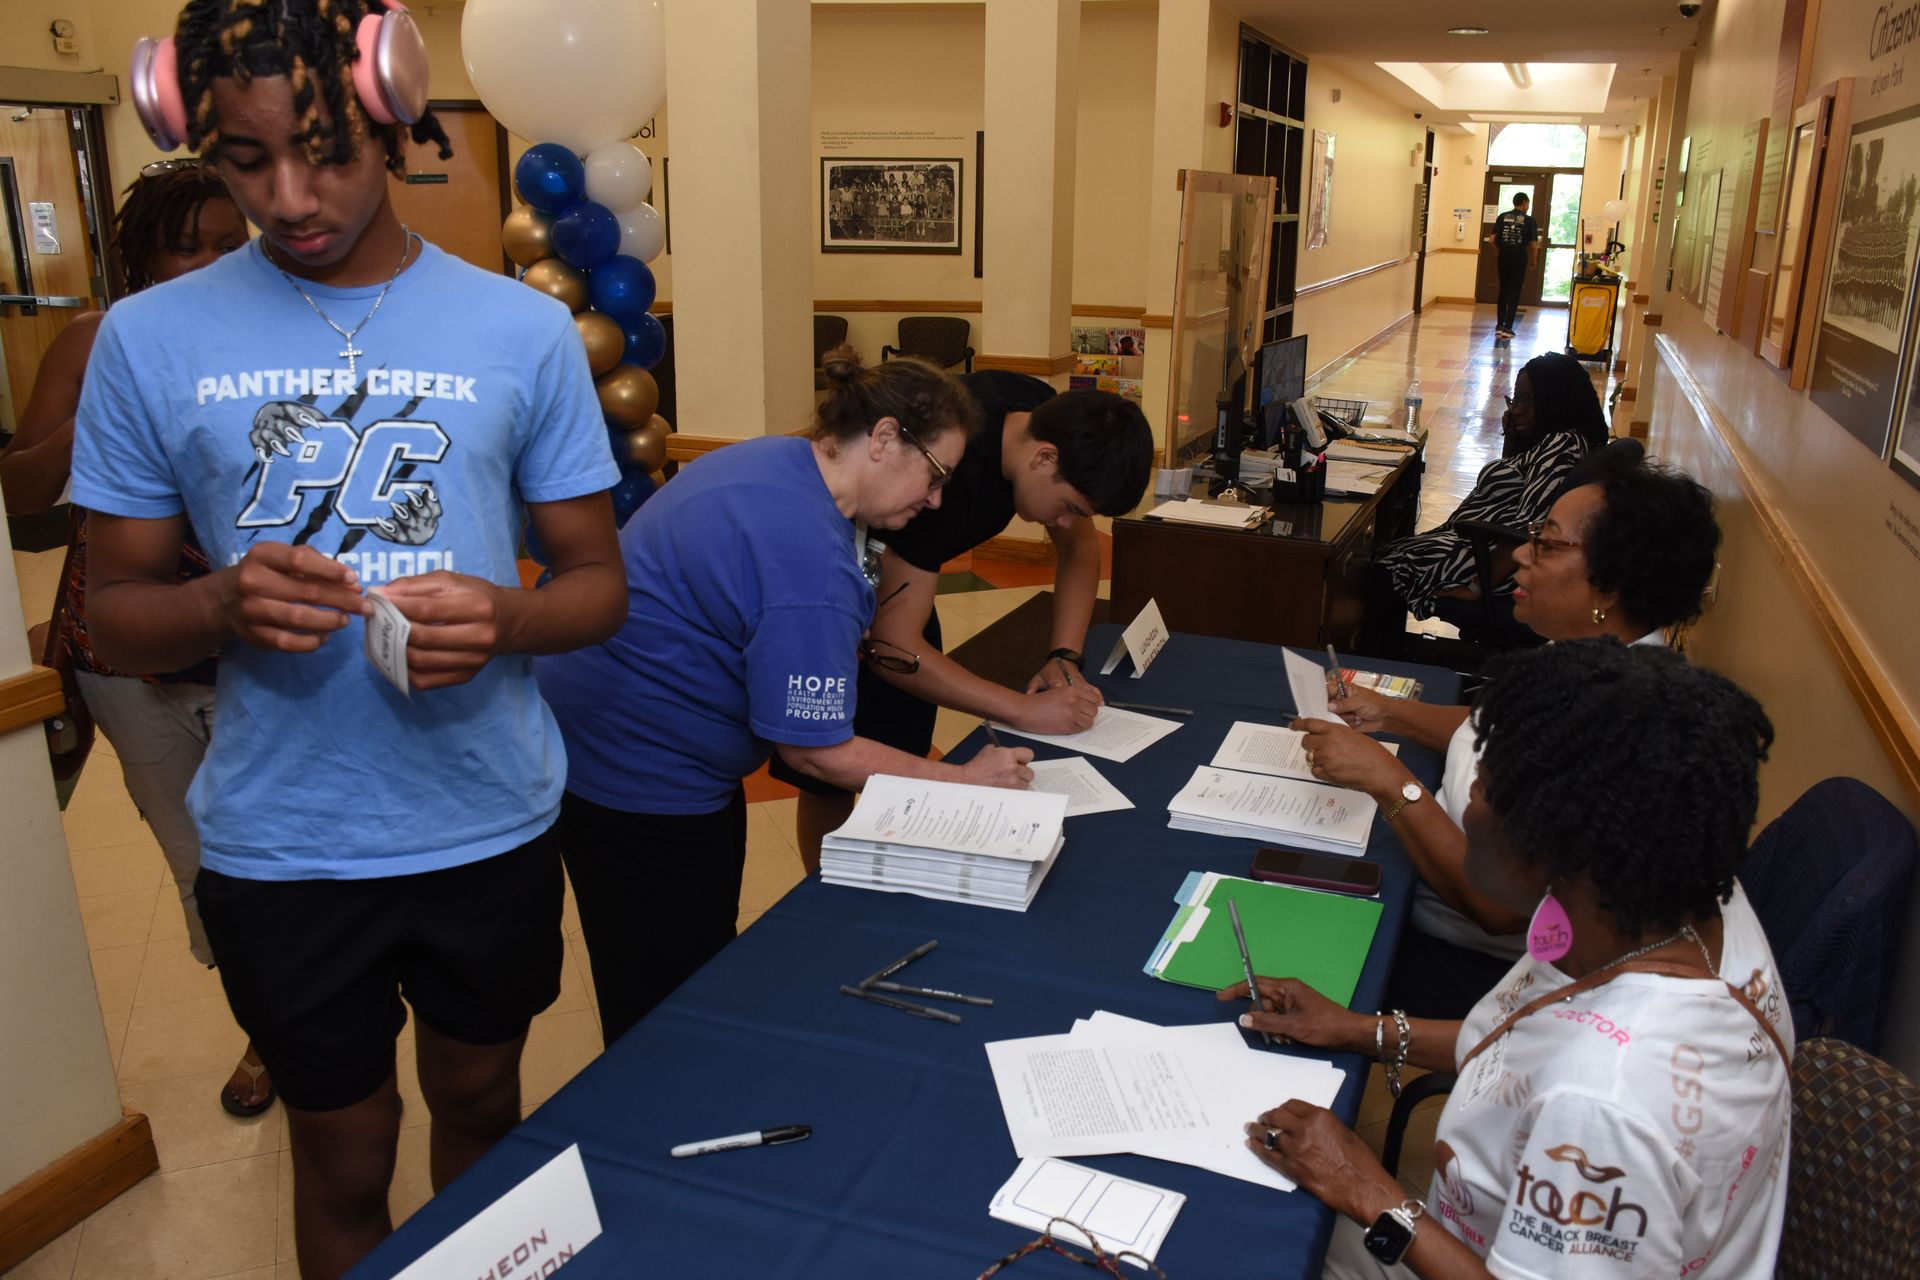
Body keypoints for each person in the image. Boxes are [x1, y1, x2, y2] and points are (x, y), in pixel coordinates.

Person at [70, 2, 626, 1275]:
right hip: (283, 840)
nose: (290, 195)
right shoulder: (148, 342)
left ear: (395, 124)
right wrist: (218, 603)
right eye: (245, 160)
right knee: (344, 1150)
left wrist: (506, 619)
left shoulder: (519, 331)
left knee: (484, 1110)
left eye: (326, 153)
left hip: (485, 815)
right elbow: (115, 608)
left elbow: (599, 583)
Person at [1226, 641, 1791, 1279]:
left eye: (1490, 787)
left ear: (1558, 841)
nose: (1467, 805)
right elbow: (1521, 1043)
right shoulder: (1660, 908)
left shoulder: (1602, 1101)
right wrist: (1358, 1030)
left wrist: (1368, 1191)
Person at [537, 348, 1037, 1048]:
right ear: (886, 438)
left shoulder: (784, 458)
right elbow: (817, 750)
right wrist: (961, 779)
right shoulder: (809, 559)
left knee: (679, 962)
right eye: (936, 476)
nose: (936, 501)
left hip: (599, 736)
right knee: (666, 1001)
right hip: (638, 773)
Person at [0, 162, 274, 1116]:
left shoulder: (276, 337)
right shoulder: (94, 340)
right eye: (184, 245)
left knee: (273, 842)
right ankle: (264, 1030)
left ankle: (298, 1017)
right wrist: (112, 395)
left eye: (226, 246)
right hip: (125, 656)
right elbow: (22, 494)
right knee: (195, 854)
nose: (206, 264)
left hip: (256, 647)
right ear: (140, 254)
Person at [1298, 455, 1722, 1017]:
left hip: (1467, 959)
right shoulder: (1583, 654)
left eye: (1546, 544)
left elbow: (1497, 905)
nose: (1520, 553)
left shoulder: (1615, 726)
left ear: (1611, 586)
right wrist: (1390, 715)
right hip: (1424, 872)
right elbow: (1487, 727)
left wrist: (1389, 780)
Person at [773, 371, 1155, 865]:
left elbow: (1079, 545)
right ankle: (820, 892)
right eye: (1067, 507)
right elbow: (892, 649)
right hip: (835, 603)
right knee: (829, 773)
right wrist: (1020, 710)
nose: (1065, 523)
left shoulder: (1039, 414)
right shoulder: (940, 488)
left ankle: (889, 875)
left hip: (899, 601)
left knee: (898, 771)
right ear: (1044, 457)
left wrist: (1065, 654)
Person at [1375, 352, 1607, 622]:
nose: (1516, 409)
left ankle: (1372, 657)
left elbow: (1525, 527)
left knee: (1382, 569)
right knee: (1382, 554)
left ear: (1555, 401)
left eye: (1526, 400)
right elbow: (1512, 485)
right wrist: (1511, 438)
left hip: (1491, 562)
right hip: (1481, 547)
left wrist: (1477, 587)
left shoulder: (1561, 446)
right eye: (1514, 400)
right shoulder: (1553, 441)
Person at [1486, 191, 1536, 339]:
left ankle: (1499, 326)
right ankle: (1508, 327)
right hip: (1519, 256)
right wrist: (1533, 260)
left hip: (1504, 255)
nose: (1528, 206)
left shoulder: (1502, 216)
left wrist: (1498, 251)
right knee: (1515, 291)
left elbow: (1491, 240)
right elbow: (1533, 245)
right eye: (1528, 203)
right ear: (1524, 203)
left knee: (1503, 289)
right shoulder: (1529, 220)